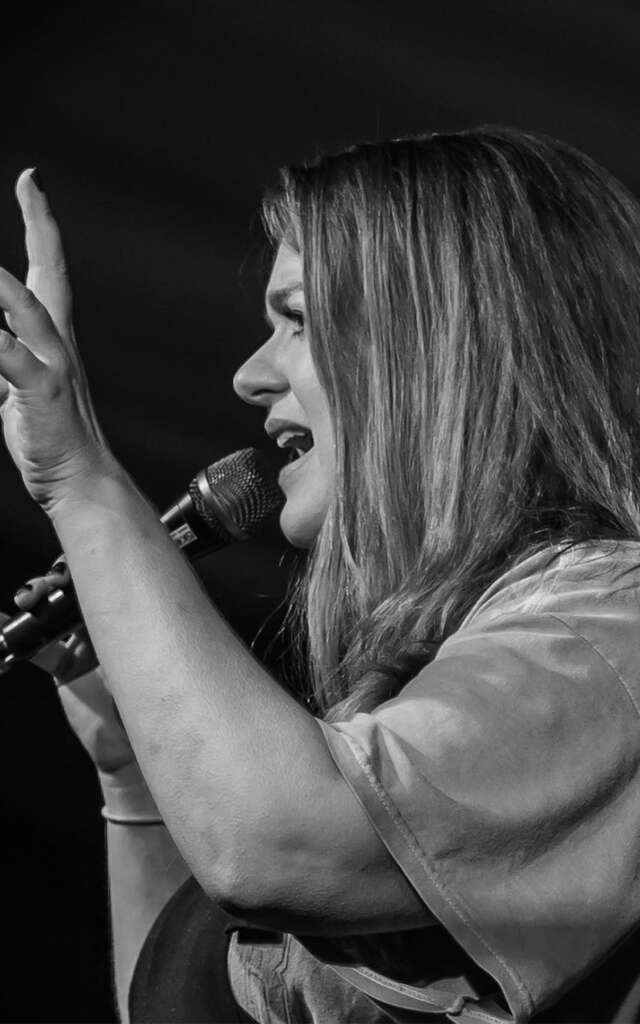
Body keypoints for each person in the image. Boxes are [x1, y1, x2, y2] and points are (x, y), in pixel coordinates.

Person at [2, 125, 640, 1024]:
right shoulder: (407, 697)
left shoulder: (613, 627)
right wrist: (135, 770)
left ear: (444, 342)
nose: (248, 375)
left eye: (296, 320)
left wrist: (84, 484)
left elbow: (272, 848)